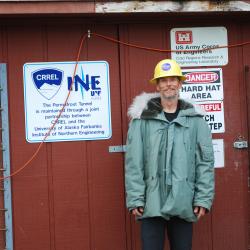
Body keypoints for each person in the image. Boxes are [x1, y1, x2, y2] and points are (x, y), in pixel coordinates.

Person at [125, 59, 215, 250]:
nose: (169, 84)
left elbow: (205, 161)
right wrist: (135, 198)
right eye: (163, 80)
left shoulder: (196, 120)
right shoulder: (141, 120)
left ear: (180, 83)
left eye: (173, 79)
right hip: (151, 202)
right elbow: (134, 162)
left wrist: (203, 198)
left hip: (184, 201)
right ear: (157, 85)